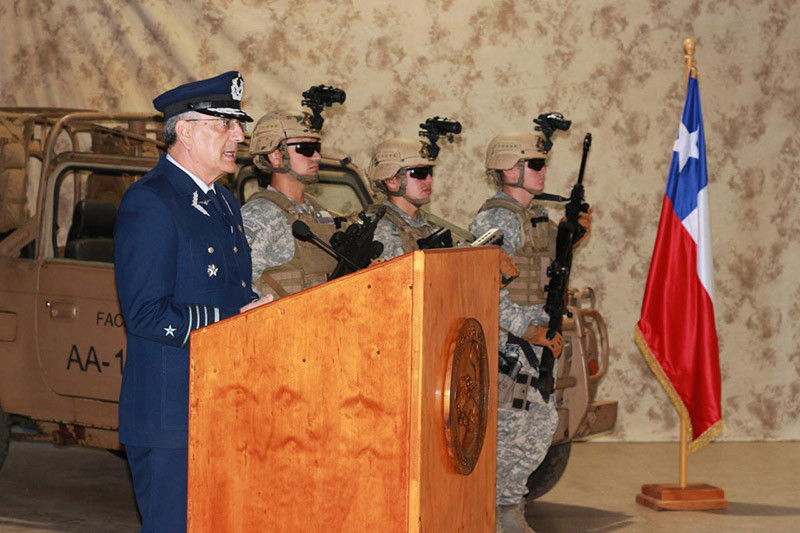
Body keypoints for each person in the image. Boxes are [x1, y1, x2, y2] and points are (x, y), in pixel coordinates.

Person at [114, 71, 271, 533]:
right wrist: (233, 320)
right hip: (172, 419)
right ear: (184, 131)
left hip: (223, 404)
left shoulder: (223, 202)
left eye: (237, 125)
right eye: (224, 124)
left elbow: (233, 291)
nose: (239, 136)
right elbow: (144, 313)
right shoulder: (152, 203)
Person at [470, 129, 588, 533]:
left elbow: (541, 270)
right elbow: (481, 285)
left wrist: (573, 236)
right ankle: (495, 514)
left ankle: (508, 508)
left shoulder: (532, 215)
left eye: (541, 163)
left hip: (532, 341)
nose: (542, 171)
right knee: (509, 432)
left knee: (536, 428)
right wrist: (527, 330)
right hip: (508, 344)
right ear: (509, 170)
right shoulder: (498, 217)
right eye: (534, 164)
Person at [242, 110, 341, 298]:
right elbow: (243, 286)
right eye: (305, 148)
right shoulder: (260, 215)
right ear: (275, 156)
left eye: (317, 147)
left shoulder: (319, 212)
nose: (317, 156)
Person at [365, 137, 442, 259]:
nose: (429, 180)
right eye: (419, 172)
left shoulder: (431, 228)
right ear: (392, 181)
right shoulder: (376, 231)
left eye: (429, 171)